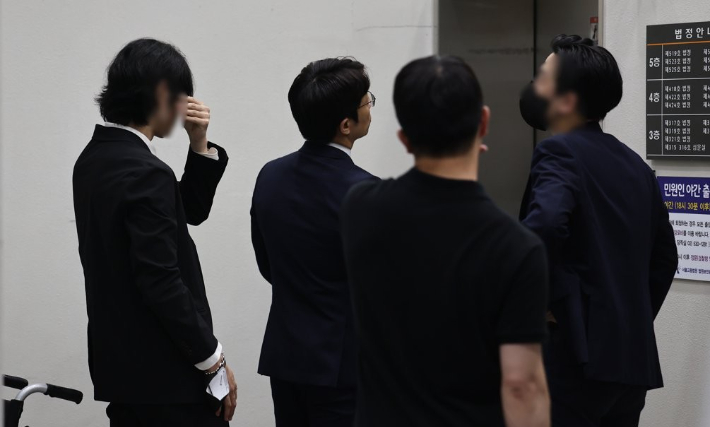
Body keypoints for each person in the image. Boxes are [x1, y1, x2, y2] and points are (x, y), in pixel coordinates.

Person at [341, 55, 551, 427]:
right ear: (483, 122)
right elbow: (522, 386)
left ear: (404, 139)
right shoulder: (517, 247)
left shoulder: (360, 208)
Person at [72, 38, 237, 426]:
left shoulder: (93, 159)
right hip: (168, 377)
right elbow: (160, 280)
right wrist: (212, 358)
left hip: (124, 373)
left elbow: (186, 213)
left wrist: (199, 143)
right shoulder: (147, 171)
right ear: (163, 93)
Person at [519, 35, 678, 427]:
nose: (534, 85)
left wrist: (539, 305)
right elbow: (665, 259)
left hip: (572, 361)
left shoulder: (559, 152)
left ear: (567, 100)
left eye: (543, 78)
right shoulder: (635, 165)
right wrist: (625, 318)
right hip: (630, 363)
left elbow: (544, 226)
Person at [250, 58, 377, 427]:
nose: (370, 106)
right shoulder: (366, 192)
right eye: (367, 101)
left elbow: (267, 264)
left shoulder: (270, 175)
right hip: (343, 363)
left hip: (286, 356)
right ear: (346, 124)